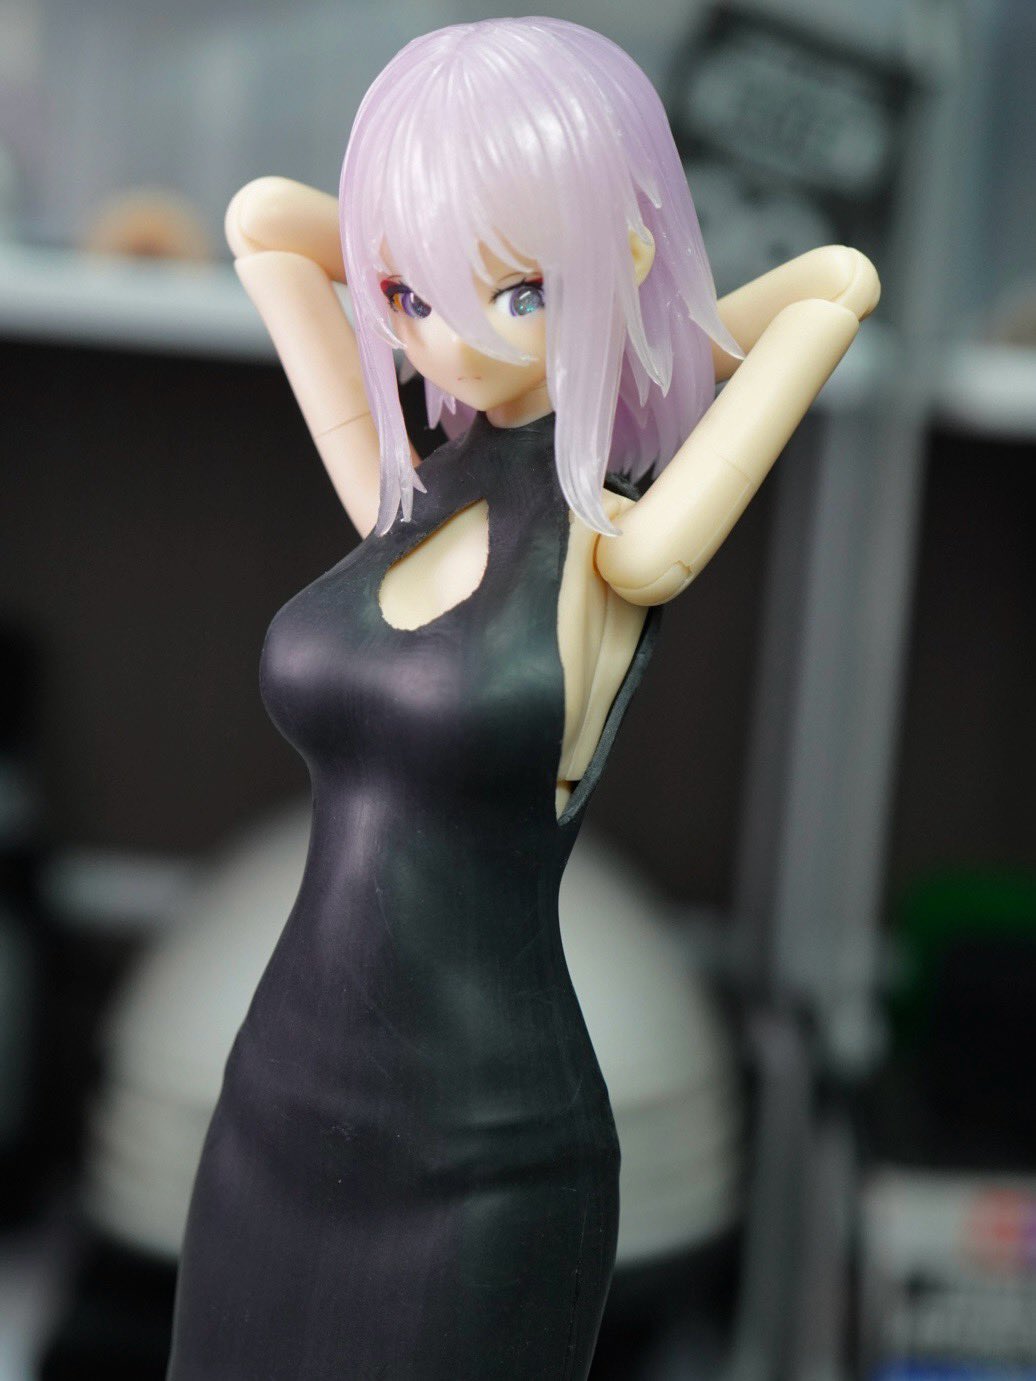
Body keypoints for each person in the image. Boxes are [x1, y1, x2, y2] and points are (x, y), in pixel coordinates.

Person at [167, 18, 879, 1380]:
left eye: (514, 291)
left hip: (481, 1155)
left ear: (623, 259)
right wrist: (420, 225)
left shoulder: (621, 548)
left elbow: (831, 285)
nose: (446, 339)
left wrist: (643, 320)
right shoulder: (398, 492)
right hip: (270, 1116)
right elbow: (266, 224)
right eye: (411, 293)